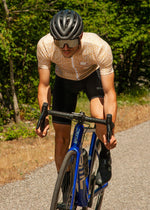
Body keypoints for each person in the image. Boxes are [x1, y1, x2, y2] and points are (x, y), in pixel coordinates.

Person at [36, 9, 117, 186]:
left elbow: (109, 92)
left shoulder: (99, 47)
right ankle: (65, 187)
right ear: (53, 38)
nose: (65, 48)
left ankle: (104, 153)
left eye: (71, 42)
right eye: (60, 42)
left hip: (91, 76)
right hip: (64, 80)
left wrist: (110, 129)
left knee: (98, 116)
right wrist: (43, 115)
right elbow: (44, 85)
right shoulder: (45, 45)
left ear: (80, 36)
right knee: (61, 137)